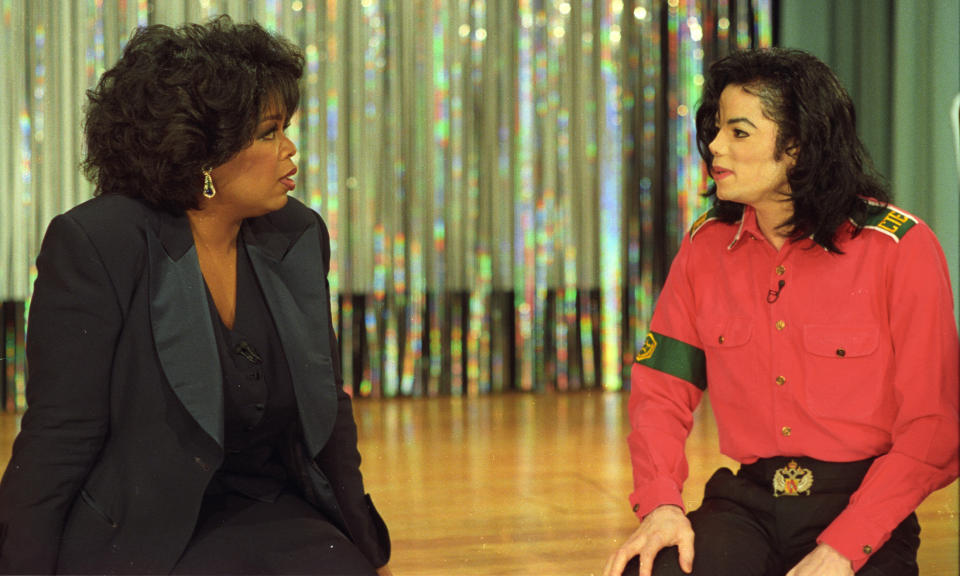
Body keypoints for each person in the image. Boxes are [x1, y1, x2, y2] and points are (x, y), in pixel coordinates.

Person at [0, 16, 391, 575]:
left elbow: (331, 410)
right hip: (146, 531)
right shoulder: (99, 243)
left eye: (286, 128)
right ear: (202, 155)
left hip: (270, 508)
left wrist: (369, 550)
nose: (290, 149)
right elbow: (58, 436)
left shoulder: (298, 234)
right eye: (268, 132)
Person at [603, 48, 958, 576]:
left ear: (797, 145)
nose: (715, 146)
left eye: (739, 132)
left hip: (862, 503)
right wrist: (661, 505)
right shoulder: (706, 248)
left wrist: (844, 548)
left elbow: (934, 428)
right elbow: (661, 390)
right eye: (717, 128)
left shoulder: (900, 248)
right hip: (747, 500)